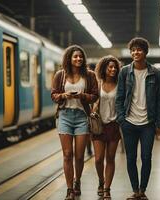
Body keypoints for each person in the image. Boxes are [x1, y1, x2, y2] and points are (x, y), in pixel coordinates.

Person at [115, 37, 160, 200]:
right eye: (133, 50)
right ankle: (135, 190)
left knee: (146, 157)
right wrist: (121, 118)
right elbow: (120, 96)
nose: (136, 52)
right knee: (130, 158)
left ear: (145, 52)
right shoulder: (124, 72)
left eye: (139, 49)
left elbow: (159, 100)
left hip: (148, 124)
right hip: (128, 121)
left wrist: (159, 124)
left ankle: (143, 190)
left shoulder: (156, 73)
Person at [51, 45, 98, 200]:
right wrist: (64, 95)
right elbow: (53, 95)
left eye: (80, 57)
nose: (78, 59)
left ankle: (78, 181)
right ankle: (70, 189)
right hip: (64, 115)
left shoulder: (89, 75)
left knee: (79, 156)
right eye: (75, 56)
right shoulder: (60, 75)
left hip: (82, 116)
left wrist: (82, 96)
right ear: (69, 59)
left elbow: (95, 96)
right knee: (67, 154)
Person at [91, 55, 122, 199]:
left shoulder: (120, 84)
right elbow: (91, 100)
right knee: (98, 158)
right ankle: (101, 181)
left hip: (114, 125)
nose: (113, 69)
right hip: (99, 125)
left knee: (110, 158)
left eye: (115, 67)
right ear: (104, 68)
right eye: (110, 67)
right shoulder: (98, 83)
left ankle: (107, 189)